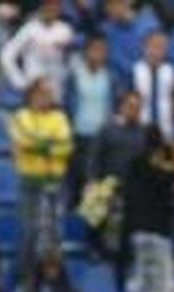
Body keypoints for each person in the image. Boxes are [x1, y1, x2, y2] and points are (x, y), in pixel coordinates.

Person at [11, 78, 75, 276]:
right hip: (31, 183)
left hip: (55, 183)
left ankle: (53, 281)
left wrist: (39, 146)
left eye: (49, 93)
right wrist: (49, 145)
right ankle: (26, 280)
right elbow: (24, 142)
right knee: (30, 233)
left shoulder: (60, 118)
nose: (46, 97)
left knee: (55, 237)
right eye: (42, 93)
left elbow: (65, 147)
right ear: (31, 95)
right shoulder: (21, 116)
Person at [123, 126, 174, 292]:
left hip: (136, 232)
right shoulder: (160, 170)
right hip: (157, 233)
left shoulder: (133, 165)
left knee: (141, 280)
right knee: (164, 286)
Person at [67, 35, 116, 208]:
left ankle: (93, 229)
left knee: (97, 186)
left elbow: (113, 106)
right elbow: (68, 105)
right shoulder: (75, 76)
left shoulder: (110, 77)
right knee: (76, 183)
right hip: (79, 135)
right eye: (95, 50)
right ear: (86, 52)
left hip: (101, 137)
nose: (98, 54)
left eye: (103, 51)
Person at [1, 0, 77, 102]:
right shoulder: (30, 29)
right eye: (48, 5)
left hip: (55, 93)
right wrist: (20, 82)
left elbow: (72, 60)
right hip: (34, 92)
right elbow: (6, 55)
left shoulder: (65, 31)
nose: (51, 9)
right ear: (41, 7)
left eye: (55, 6)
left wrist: (64, 80)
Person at [134, 29, 174, 140]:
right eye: (154, 46)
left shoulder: (172, 71)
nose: (157, 51)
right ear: (145, 47)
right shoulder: (135, 70)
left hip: (165, 127)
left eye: (162, 47)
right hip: (140, 127)